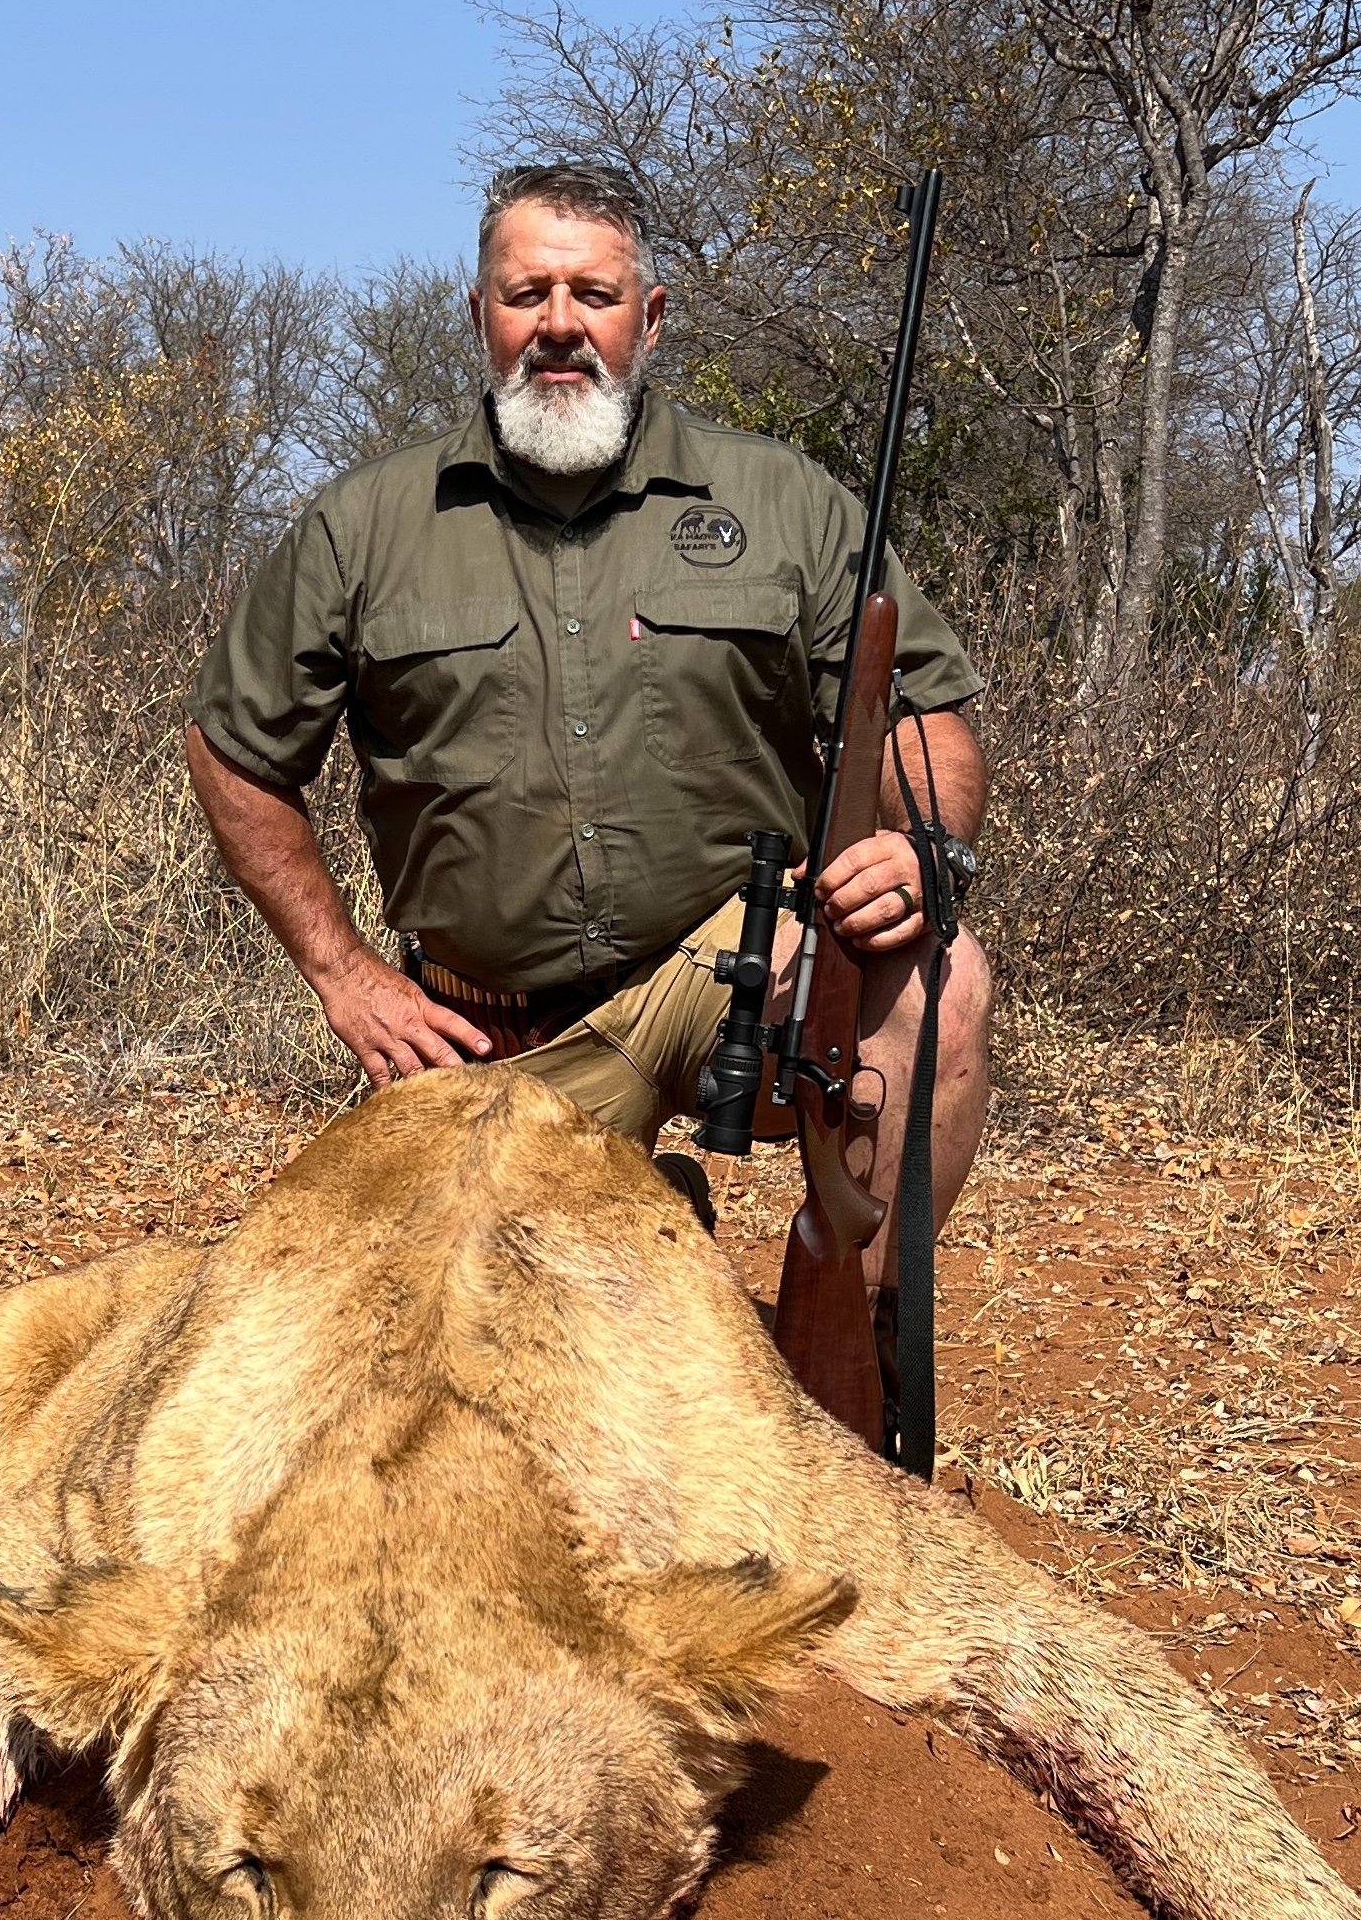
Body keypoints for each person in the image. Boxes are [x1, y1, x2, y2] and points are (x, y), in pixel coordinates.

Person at [184, 157, 992, 1399]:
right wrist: (343, 974)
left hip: (738, 971)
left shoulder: (783, 503)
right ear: (479, 317)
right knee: (367, 1371)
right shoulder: (363, 523)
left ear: (649, 317)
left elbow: (922, 709)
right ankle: (637, 1215)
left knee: (939, 981)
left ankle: (853, 1351)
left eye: (593, 294)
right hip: (490, 1031)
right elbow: (236, 748)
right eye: (528, 294)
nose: (560, 325)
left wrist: (922, 849)